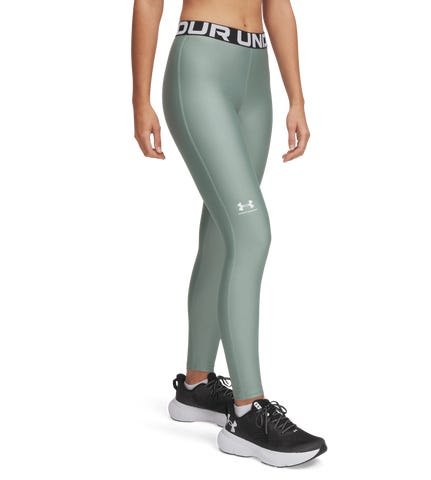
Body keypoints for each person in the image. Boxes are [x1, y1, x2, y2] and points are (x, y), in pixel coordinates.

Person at [131, 0, 327, 467]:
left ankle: (196, 386)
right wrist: (140, 100)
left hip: (256, 76)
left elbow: (278, 8)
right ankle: (247, 413)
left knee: (225, 234)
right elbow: (148, 3)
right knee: (251, 231)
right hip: (200, 65)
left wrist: (297, 98)